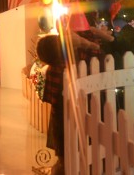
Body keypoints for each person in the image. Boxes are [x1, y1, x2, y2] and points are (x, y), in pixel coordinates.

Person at [36, 22, 112, 174]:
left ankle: (64, 165)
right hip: (83, 110)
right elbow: (97, 52)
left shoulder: (52, 70)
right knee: (81, 142)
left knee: (64, 145)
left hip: (61, 117)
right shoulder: (75, 62)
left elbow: (50, 98)